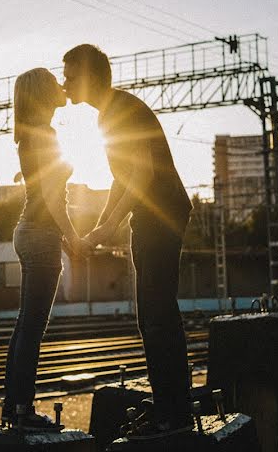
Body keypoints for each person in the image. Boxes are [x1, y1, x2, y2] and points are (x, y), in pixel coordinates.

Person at [62, 44, 194, 440]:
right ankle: (173, 402)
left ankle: (173, 412)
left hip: (162, 214)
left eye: (69, 75)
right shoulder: (111, 112)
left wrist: (104, 230)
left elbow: (143, 178)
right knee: (153, 314)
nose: (64, 83)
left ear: (88, 77)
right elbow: (124, 180)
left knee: (156, 315)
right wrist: (100, 227)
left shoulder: (121, 111)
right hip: (154, 215)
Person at [1, 67, 89, 429]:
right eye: (53, 81)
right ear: (41, 92)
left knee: (25, 327)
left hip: (28, 231)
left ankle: (13, 409)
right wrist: (73, 237)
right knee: (32, 329)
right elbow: (54, 198)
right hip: (40, 234)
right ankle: (22, 411)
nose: (61, 85)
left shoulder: (30, 136)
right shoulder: (45, 135)